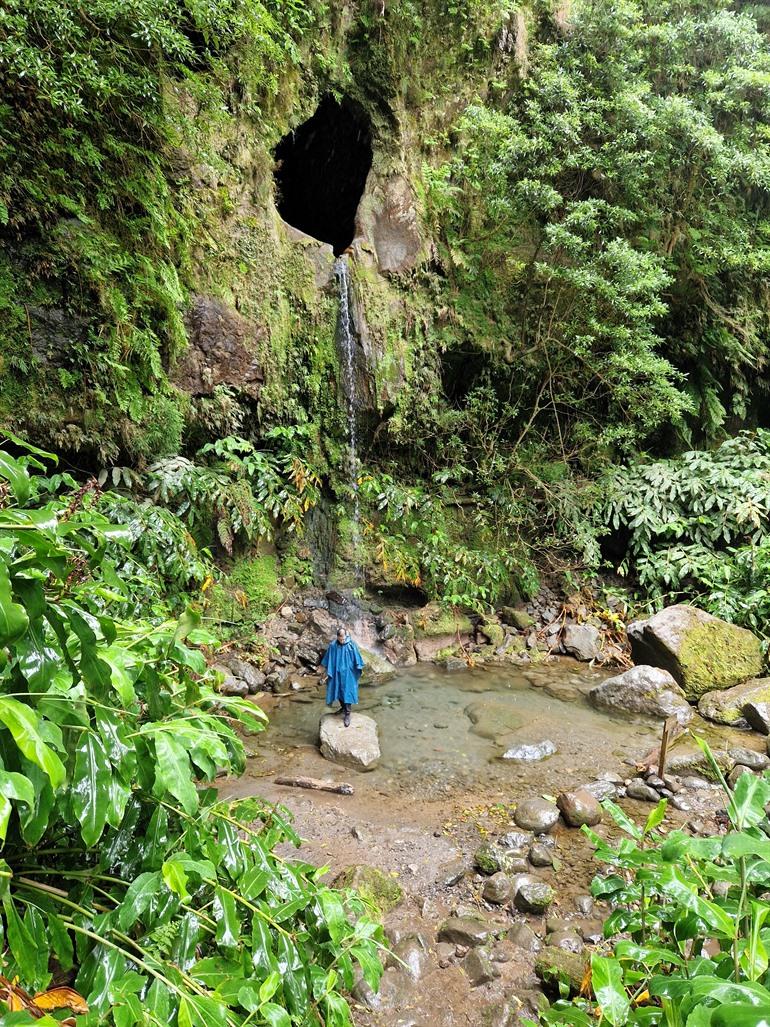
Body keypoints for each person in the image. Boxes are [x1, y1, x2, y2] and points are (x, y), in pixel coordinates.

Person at [319, 627, 364, 727]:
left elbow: (358, 658)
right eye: (340, 639)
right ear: (337, 637)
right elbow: (327, 658)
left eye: (343, 639)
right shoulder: (333, 645)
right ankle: (343, 707)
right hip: (336, 673)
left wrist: (359, 666)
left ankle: (347, 714)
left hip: (348, 674)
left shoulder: (351, 645)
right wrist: (322, 668)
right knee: (338, 691)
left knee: (347, 692)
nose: (342, 641)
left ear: (346, 636)